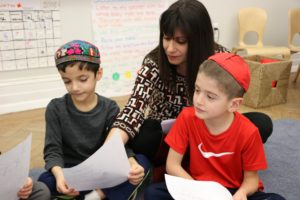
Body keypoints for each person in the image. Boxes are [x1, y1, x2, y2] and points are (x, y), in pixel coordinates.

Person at [107, 0, 272, 169]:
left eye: (180, 41)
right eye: (166, 38)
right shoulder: (154, 62)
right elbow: (134, 107)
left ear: (199, 39)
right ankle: (199, 160)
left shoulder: (220, 59)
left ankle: (201, 157)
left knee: (261, 124)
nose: (170, 48)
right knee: (143, 135)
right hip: (168, 138)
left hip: (209, 132)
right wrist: (109, 151)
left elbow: (232, 101)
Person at [144, 53, 285, 200]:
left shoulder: (249, 132)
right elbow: (172, 165)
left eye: (210, 97)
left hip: (233, 191)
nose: (198, 100)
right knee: (153, 193)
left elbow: (251, 180)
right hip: (196, 186)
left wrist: (242, 193)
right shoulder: (187, 117)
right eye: (197, 90)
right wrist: (197, 193)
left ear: (234, 104)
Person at [37, 40, 150, 200]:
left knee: (142, 163)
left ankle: (97, 195)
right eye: (67, 81)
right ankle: (102, 194)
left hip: (102, 173)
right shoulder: (55, 108)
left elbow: (118, 146)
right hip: (71, 172)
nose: (74, 87)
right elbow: (52, 151)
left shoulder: (109, 107)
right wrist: (59, 175)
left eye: (82, 79)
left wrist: (132, 163)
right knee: (44, 181)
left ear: (98, 74)